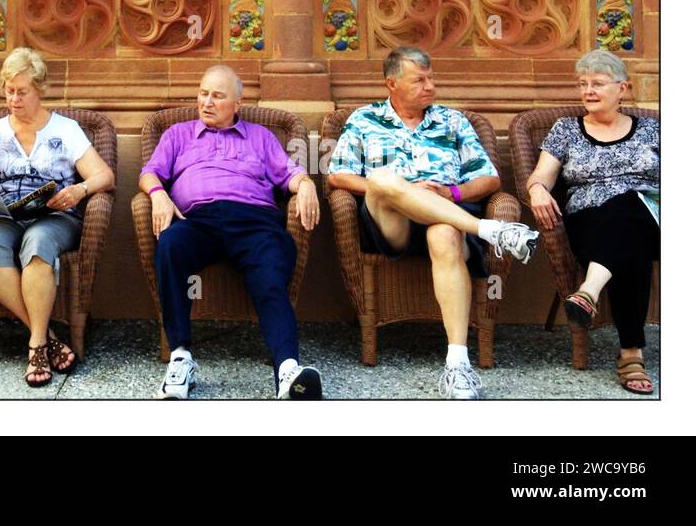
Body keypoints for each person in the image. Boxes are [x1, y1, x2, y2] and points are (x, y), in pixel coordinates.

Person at [328, 46, 541, 399]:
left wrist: (449, 193)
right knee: (382, 179)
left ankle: (457, 364)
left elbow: (489, 180)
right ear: (391, 83)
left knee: (444, 235)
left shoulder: (453, 121)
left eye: (431, 78)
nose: (430, 86)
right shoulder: (364, 120)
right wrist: (401, 190)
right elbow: (338, 176)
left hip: (447, 216)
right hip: (390, 222)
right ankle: (492, 232)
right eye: (419, 80)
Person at [138, 65, 323, 400]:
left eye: (217, 96)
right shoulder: (177, 135)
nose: (207, 102)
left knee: (269, 270)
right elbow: (150, 172)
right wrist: (158, 194)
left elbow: (288, 175)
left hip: (254, 221)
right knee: (171, 246)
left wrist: (307, 184)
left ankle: (287, 369)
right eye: (203, 93)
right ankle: (181, 357)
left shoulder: (261, 137)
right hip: (197, 221)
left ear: (237, 103)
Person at [0, 47, 114, 387]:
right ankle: (47, 336)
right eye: (9, 91)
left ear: (40, 89)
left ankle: (35, 345)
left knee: (36, 244)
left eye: (22, 92)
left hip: (55, 216)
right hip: (7, 216)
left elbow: (104, 176)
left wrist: (79, 191)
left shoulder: (66, 129)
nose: (14, 99)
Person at [526, 50, 659, 395]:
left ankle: (588, 292)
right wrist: (538, 190)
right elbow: (541, 176)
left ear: (623, 88)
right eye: (583, 84)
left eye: (598, 83)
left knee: (632, 208)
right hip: (589, 223)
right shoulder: (566, 130)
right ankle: (631, 354)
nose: (588, 90)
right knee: (630, 239)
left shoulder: (653, 130)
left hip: (653, 216)